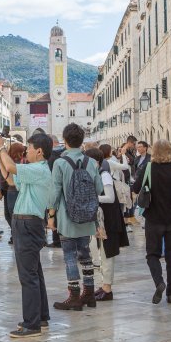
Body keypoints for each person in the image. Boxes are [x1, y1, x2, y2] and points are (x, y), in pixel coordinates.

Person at [0, 132, 53, 338]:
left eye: (29, 148)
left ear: (39, 151)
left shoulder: (38, 168)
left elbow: (11, 168)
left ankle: (32, 324)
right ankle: (41, 316)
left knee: (27, 275)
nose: (26, 151)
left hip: (28, 223)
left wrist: (2, 148)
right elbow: (10, 179)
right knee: (35, 272)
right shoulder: (35, 170)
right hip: (28, 223)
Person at [50, 123, 104, 311]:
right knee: (85, 254)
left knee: (70, 257)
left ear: (65, 140)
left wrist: (50, 214)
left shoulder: (60, 163)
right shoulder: (91, 163)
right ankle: (88, 293)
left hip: (67, 217)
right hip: (87, 217)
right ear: (82, 141)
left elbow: (55, 192)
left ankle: (74, 296)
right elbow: (98, 189)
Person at [133, 140, 171, 304]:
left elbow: (136, 188)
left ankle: (159, 282)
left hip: (153, 219)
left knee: (152, 254)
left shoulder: (148, 168)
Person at [89, 147, 129, 302]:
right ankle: (104, 285)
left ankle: (107, 288)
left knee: (107, 253)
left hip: (109, 219)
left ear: (96, 161)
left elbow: (110, 198)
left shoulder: (104, 175)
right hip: (104, 219)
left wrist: (93, 197)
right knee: (103, 253)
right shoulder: (99, 174)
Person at [2, 142, 26, 245]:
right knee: (9, 214)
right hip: (8, 190)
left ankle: (15, 234)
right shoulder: (10, 161)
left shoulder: (19, 163)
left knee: (10, 214)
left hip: (12, 190)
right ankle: (15, 233)